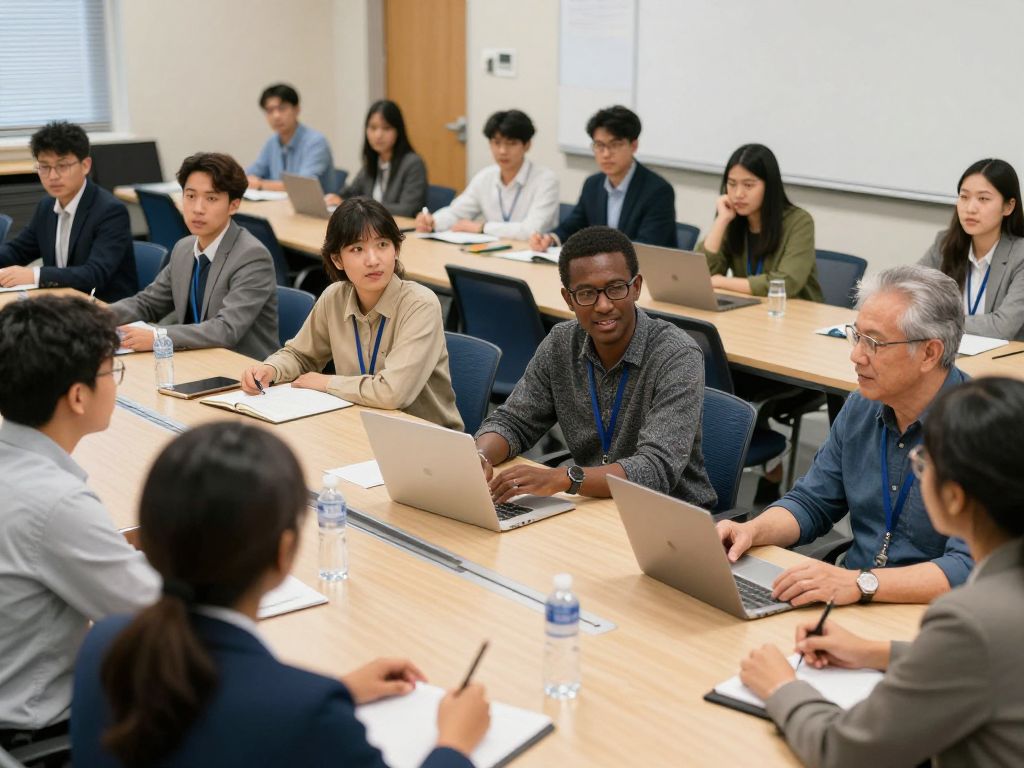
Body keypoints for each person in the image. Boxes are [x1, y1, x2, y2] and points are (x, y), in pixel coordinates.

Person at [71, 422, 490, 767]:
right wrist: (454, 743)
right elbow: (259, 713)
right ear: (284, 552)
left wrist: (337, 690)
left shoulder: (105, 644)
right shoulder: (307, 717)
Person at [738, 376, 1024, 768]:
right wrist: (876, 653)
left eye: (924, 464)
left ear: (954, 498)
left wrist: (782, 687)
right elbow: (988, 661)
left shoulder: (969, 619)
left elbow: (844, 751)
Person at [717, 265, 973, 606]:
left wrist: (861, 582)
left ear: (929, 353)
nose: (856, 356)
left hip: (930, 612)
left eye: (875, 343)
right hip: (851, 591)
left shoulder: (984, 432)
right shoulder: (862, 406)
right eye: (857, 336)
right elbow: (812, 502)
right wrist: (752, 531)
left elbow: (967, 567)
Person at [0, 296, 158, 754]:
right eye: (111, 371)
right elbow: (156, 616)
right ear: (77, 395)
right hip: (40, 740)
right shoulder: (57, 503)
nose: (115, 383)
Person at [476, 226, 716, 507]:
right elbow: (513, 421)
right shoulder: (561, 343)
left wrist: (566, 478)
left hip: (667, 513)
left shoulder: (675, 355)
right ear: (569, 300)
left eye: (615, 289)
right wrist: (479, 456)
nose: (603, 305)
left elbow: (655, 469)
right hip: (591, 504)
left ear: (636, 287)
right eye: (587, 294)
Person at [241, 197, 462, 430]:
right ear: (337, 259)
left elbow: (392, 393)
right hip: (358, 422)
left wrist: (326, 382)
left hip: (423, 437)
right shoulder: (335, 297)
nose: (373, 260)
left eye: (382, 245)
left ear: (396, 250)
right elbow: (301, 355)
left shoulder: (420, 305)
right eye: (357, 249)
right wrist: (271, 369)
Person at [109, 152, 279, 360]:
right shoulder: (185, 247)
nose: (197, 209)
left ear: (233, 205)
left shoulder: (252, 256)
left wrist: (158, 336)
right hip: (195, 358)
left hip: (243, 372)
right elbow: (148, 303)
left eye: (211, 198)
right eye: (190, 196)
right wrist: (97, 317)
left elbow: (225, 330)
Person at [0, 121, 137, 302]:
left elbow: (94, 274)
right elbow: (17, 251)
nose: (53, 176)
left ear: (85, 165)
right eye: (44, 166)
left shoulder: (110, 211)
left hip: (105, 308)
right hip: (62, 304)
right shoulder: (47, 207)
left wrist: (35, 275)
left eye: (62, 166)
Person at [529, 106, 676, 249]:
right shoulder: (593, 184)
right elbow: (575, 226)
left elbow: (648, 246)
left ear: (634, 146)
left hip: (642, 271)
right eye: (599, 145)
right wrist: (550, 239)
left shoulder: (658, 191)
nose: (605, 154)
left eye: (615, 145)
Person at [698, 144, 822, 301]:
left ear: (769, 186)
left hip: (794, 313)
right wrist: (721, 221)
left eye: (748, 185)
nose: (738, 194)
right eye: (732, 184)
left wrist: (721, 282)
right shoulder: (733, 218)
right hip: (751, 310)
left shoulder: (799, 221)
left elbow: (786, 284)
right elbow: (701, 275)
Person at [919, 158, 1024, 340]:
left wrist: (937, 322)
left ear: (1008, 206)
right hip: (953, 354)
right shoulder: (945, 244)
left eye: (983, 199)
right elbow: (910, 292)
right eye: (964, 197)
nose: (970, 208)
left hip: (1003, 363)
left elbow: (1002, 327)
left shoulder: (1020, 256)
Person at [416, 110, 558, 240]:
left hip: (531, 257)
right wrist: (433, 221)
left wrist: (482, 228)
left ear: (527, 145)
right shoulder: (486, 177)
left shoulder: (545, 180)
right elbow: (456, 212)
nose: (502, 151)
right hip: (492, 254)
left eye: (511, 143)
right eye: (496, 143)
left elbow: (531, 230)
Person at [325, 99, 427, 217]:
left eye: (386, 128)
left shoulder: (413, 163)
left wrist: (362, 206)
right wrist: (336, 198)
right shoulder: (373, 161)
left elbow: (408, 209)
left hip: (397, 230)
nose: (378, 135)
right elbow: (350, 193)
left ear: (398, 131)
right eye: (373, 128)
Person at [246, 83, 334, 193]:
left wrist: (260, 184)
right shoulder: (272, 142)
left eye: (282, 108)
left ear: (296, 110)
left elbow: (303, 186)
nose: (276, 116)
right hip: (278, 205)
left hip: (313, 208)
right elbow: (252, 173)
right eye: (269, 111)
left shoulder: (316, 142)